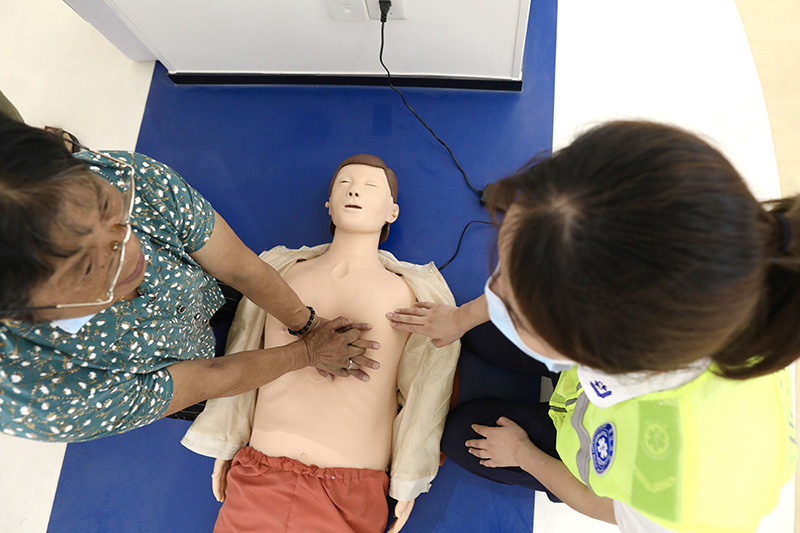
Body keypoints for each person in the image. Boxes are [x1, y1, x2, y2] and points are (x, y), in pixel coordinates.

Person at [388, 121, 799, 532]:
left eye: (517, 307)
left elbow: (601, 504)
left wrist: (524, 454)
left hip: (598, 458)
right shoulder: (691, 270)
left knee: (459, 435)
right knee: (478, 333)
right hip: (595, 382)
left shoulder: (681, 498)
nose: (492, 291)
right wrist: (461, 318)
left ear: (596, 350)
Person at [0, 116, 379, 443]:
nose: (133, 252)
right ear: (22, 312)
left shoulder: (130, 179)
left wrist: (306, 323)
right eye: (88, 269)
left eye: (109, 211)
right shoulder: (48, 397)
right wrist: (307, 352)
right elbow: (212, 377)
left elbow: (239, 267)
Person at [181, 154, 460, 533]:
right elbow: (243, 347)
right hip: (259, 472)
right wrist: (229, 442)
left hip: (350, 488)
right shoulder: (280, 272)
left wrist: (410, 477)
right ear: (328, 203)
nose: (355, 189)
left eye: (370, 186)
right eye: (344, 184)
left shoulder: (414, 293)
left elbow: (426, 390)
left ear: (391, 212)